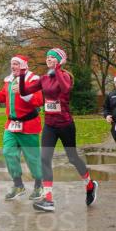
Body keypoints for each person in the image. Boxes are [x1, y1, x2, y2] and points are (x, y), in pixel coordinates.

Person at [17, 47, 99, 212]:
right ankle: (48, 199)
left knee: (73, 157)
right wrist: (21, 75)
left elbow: (66, 89)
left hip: (65, 124)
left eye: (52, 57)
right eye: (47, 57)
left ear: (60, 60)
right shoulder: (44, 78)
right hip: (50, 125)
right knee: (44, 159)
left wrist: (58, 69)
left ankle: (90, 185)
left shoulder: (65, 76)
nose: (48, 59)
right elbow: (24, 90)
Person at [0, 55, 45, 201]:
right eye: (12, 64)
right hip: (11, 125)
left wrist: (24, 92)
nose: (13, 66)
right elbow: (2, 97)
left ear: (24, 66)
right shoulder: (9, 81)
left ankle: (39, 186)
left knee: (32, 158)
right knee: (8, 152)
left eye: (16, 64)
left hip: (29, 124)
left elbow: (39, 101)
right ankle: (18, 185)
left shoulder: (33, 80)